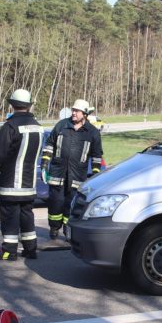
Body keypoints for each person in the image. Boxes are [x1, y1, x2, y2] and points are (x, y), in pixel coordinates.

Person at [0, 89, 43, 260]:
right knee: (26, 215)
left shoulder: (10, 126)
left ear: (12, 104)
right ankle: (30, 249)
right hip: (29, 184)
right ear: (29, 105)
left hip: (10, 184)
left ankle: (9, 251)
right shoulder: (37, 127)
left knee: (10, 216)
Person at [41, 99, 104, 239]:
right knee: (55, 203)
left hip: (77, 177)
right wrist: (45, 164)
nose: (74, 113)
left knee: (71, 205)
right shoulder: (61, 126)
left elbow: (96, 156)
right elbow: (49, 145)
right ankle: (53, 227)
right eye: (73, 110)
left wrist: (95, 174)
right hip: (57, 174)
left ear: (85, 114)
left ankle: (67, 229)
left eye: (77, 111)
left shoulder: (92, 132)